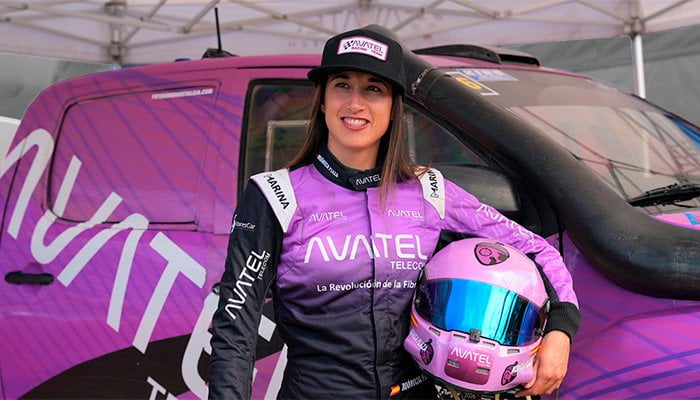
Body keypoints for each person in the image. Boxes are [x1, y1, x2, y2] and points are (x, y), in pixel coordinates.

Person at [209, 25, 580, 400]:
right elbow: (235, 324)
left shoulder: (430, 191)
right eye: (342, 85)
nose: (355, 103)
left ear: (393, 108)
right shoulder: (276, 195)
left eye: (374, 89)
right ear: (321, 101)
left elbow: (538, 250)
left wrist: (560, 330)